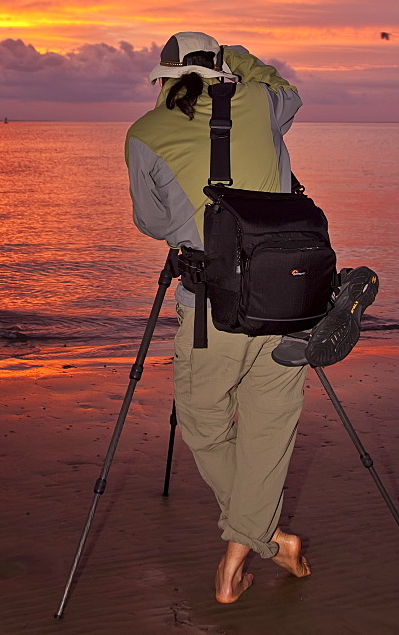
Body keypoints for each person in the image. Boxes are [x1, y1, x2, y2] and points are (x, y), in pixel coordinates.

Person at [125, 31, 312, 603]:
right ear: (220, 68)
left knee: (205, 422)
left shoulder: (144, 134)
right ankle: (245, 553)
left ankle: (260, 541)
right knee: (268, 431)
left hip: (211, 310)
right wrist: (241, 61)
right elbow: (289, 92)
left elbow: (154, 225)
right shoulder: (258, 103)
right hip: (288, 303)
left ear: (163, 76)